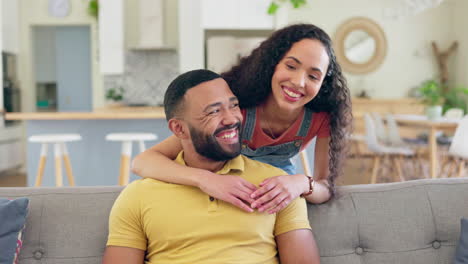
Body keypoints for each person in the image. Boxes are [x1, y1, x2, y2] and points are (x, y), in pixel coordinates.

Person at [102, 70, 320, 264]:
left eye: (233, 106)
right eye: (213, 112)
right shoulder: (139, 196)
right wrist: (204, 179)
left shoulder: (277, 186)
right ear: (179, 128)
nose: (231, 119)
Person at [132, 23, 352, 214]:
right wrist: (206, 180)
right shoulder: (236, 109)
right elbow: (143, 162)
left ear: (324, 82)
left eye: (313, 76)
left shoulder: (323, 117)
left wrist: (301, 182)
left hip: (276, 196)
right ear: (273, 64)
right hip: (227, 188)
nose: (298, 82)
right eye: (291, 66)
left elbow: (325, 187)